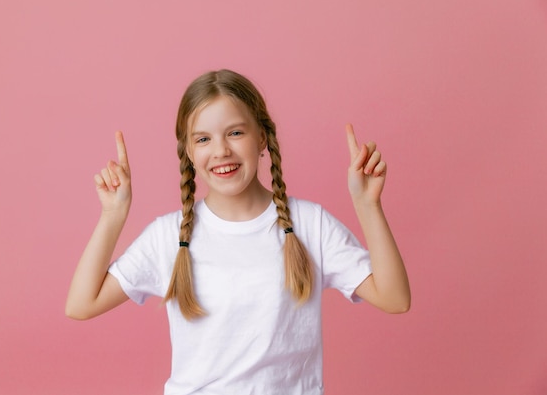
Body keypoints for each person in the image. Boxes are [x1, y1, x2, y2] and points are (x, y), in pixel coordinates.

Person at [65, 69, 410, 394]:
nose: (221, 151)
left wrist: (368, 206)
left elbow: (394, 298)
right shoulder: (167, 237)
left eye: (235, 132)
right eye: (203, 139)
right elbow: (81, 304)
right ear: (188, 150)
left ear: (262, 136)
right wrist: (113, 214)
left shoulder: (311, 225)